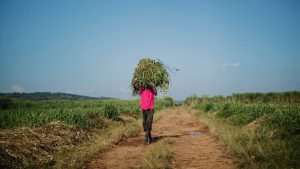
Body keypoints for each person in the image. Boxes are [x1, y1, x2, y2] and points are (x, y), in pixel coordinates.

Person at [132, 79, 157, 144]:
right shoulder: (142, 90)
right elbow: (136, 87)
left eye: (148, 84)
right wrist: (134, 82)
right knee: (145, 124)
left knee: (149, 122)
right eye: (146, 84)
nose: (147, 85)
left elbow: (156, 93)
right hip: (143, 109)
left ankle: (146, 138)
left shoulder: (152, 90)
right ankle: (150, 137)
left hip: (151, 108)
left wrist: (153, 85)